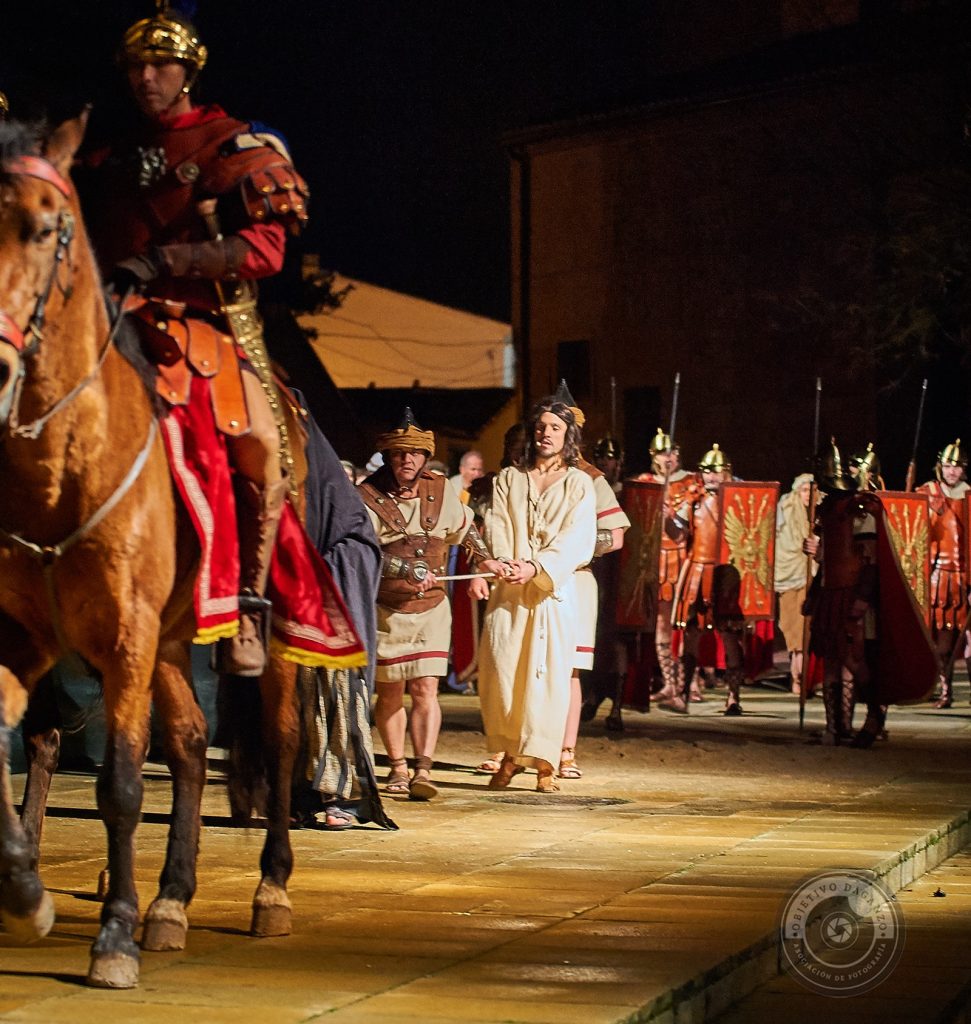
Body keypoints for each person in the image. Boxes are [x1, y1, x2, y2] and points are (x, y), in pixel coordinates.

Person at [83, 4, 310, 677]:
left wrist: (168, 263)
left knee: (260, 444)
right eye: (135, 66)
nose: (145, 77)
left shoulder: (234, 145)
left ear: (188, 72)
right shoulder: (106, 156)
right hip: (110, 322)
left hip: (200, 326)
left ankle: (249, 604)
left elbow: (265, 249)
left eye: (159, 65)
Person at [358, 409, 505, 800]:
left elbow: (465, 529)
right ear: (389, 456)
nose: (408, 459)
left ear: (425, 456)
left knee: (425, 688)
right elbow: (363, 550)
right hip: (387, 609)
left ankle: (423, 767)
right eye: (400, 452)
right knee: (390, 691)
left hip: (431, 609)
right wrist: (403, 568)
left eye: (415, 453)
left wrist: (485, 560)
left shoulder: (440, 490)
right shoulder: (367, 496)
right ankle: (398, 768)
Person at [470, 396, 596, 793]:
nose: (546, 434)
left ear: (567, 435)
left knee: (547, 676)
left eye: (555, 428)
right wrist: (506, 561)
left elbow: (578, 537)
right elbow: (498, 522)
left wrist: (538, 568)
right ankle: (509, 754)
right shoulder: (510, 477)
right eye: (541, 427)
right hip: (510, 591)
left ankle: (544, 761)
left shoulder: (579, 484)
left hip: (550, 592)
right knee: (503, 672)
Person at [554, 383, 629, 780]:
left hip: (576, 580)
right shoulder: (526, 475)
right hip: (534, 584)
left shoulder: (591, 477)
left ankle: (566, 751)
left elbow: (614, 536)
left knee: (570, 670)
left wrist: (573, 548)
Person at [671, 444, 746, 715]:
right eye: (707, 472)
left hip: (726, 573)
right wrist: (675, 510)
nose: (712, 477)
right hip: (697, 570)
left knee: (729, 636)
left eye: (717, 472)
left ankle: (733, 696)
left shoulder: (737, 501)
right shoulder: (693, 499)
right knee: (691, 633)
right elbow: (676, 535)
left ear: (727, 473)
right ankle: (683, 694)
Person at [917, 439, 969, 709]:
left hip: (966, 576)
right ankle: (945, 689)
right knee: (942, 643)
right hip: (940, 577)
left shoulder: (970, 496)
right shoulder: (928, 492)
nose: (951, 471)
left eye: (956, 466)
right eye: (948, 466)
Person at [775, 474, 817, 694]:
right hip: (789, 574)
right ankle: (796, 675)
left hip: (811, 575)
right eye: (804, 491)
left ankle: (802, 676)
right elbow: (775, 537)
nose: (808, 496)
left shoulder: (817, 514)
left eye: (811, 491)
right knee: (792, 626)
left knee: (807, 628)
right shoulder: (786, 508)